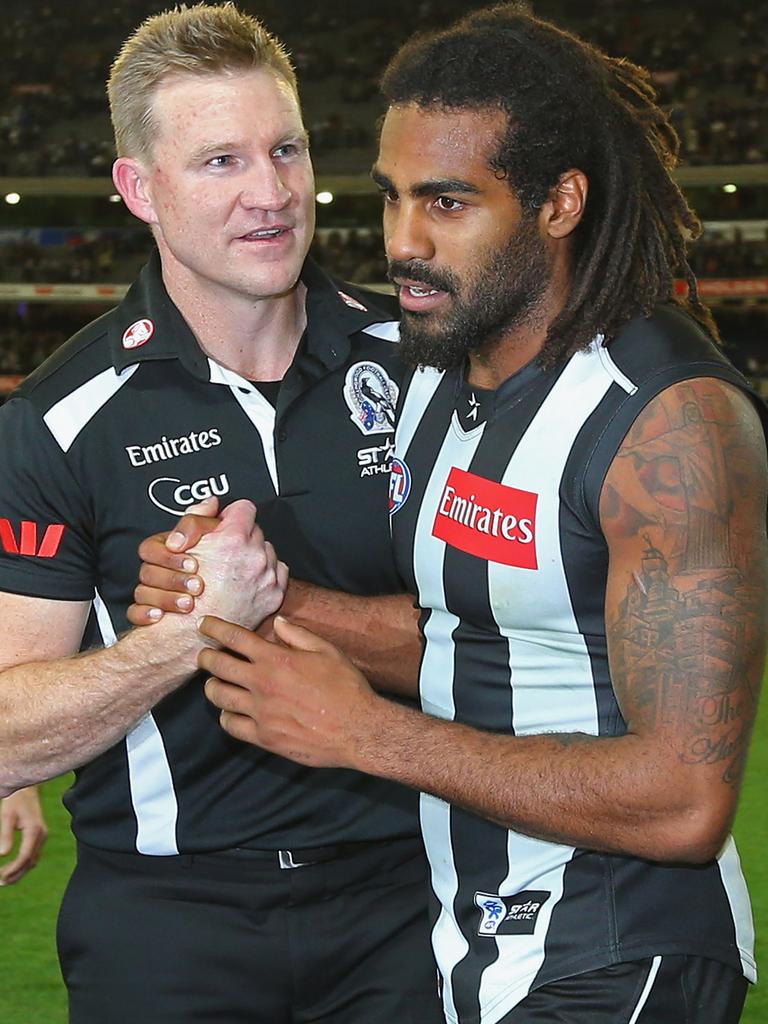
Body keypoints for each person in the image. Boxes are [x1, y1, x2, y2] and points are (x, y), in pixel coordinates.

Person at [134, 5, 767, 1023]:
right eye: (390, 199)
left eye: (447, 203)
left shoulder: (667, 423)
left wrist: (366, 734)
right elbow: (469, 632)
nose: (404, 241)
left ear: (559, 202)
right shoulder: (434, 380)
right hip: (474, 945)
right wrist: (260, 594)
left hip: (620, 949)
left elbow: (684, 798)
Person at [0, 5, 443, 1023]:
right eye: (220, 162)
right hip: (166, 920)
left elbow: (523, 636)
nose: (272, 192)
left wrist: (274, 602)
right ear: (139, 189)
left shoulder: (427, 366)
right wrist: (193, 636)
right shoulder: (62, 420)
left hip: (412, 897)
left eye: (285, 148)